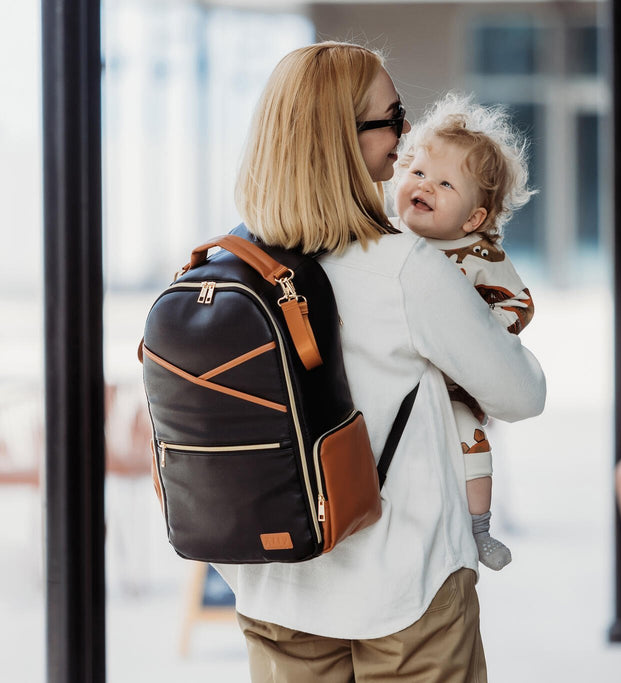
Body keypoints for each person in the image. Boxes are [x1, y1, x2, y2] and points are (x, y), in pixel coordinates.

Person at [219, 41, 546, 683]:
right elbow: (520, 393)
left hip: (275, 593)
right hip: (405, 594)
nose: (405, 135)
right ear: (343, 136)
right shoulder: (408, 268)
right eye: (392, 118)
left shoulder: (235, 263)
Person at [392, 94, 535, 571]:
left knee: (469, 439)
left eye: (445, 183)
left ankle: (480, 529)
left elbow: (519, 303)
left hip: (453, 385)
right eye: (417, 173)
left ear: (473, 218)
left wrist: (478, 330)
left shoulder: (479, 255)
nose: (425, 186)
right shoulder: (388, 237)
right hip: (397, 378)